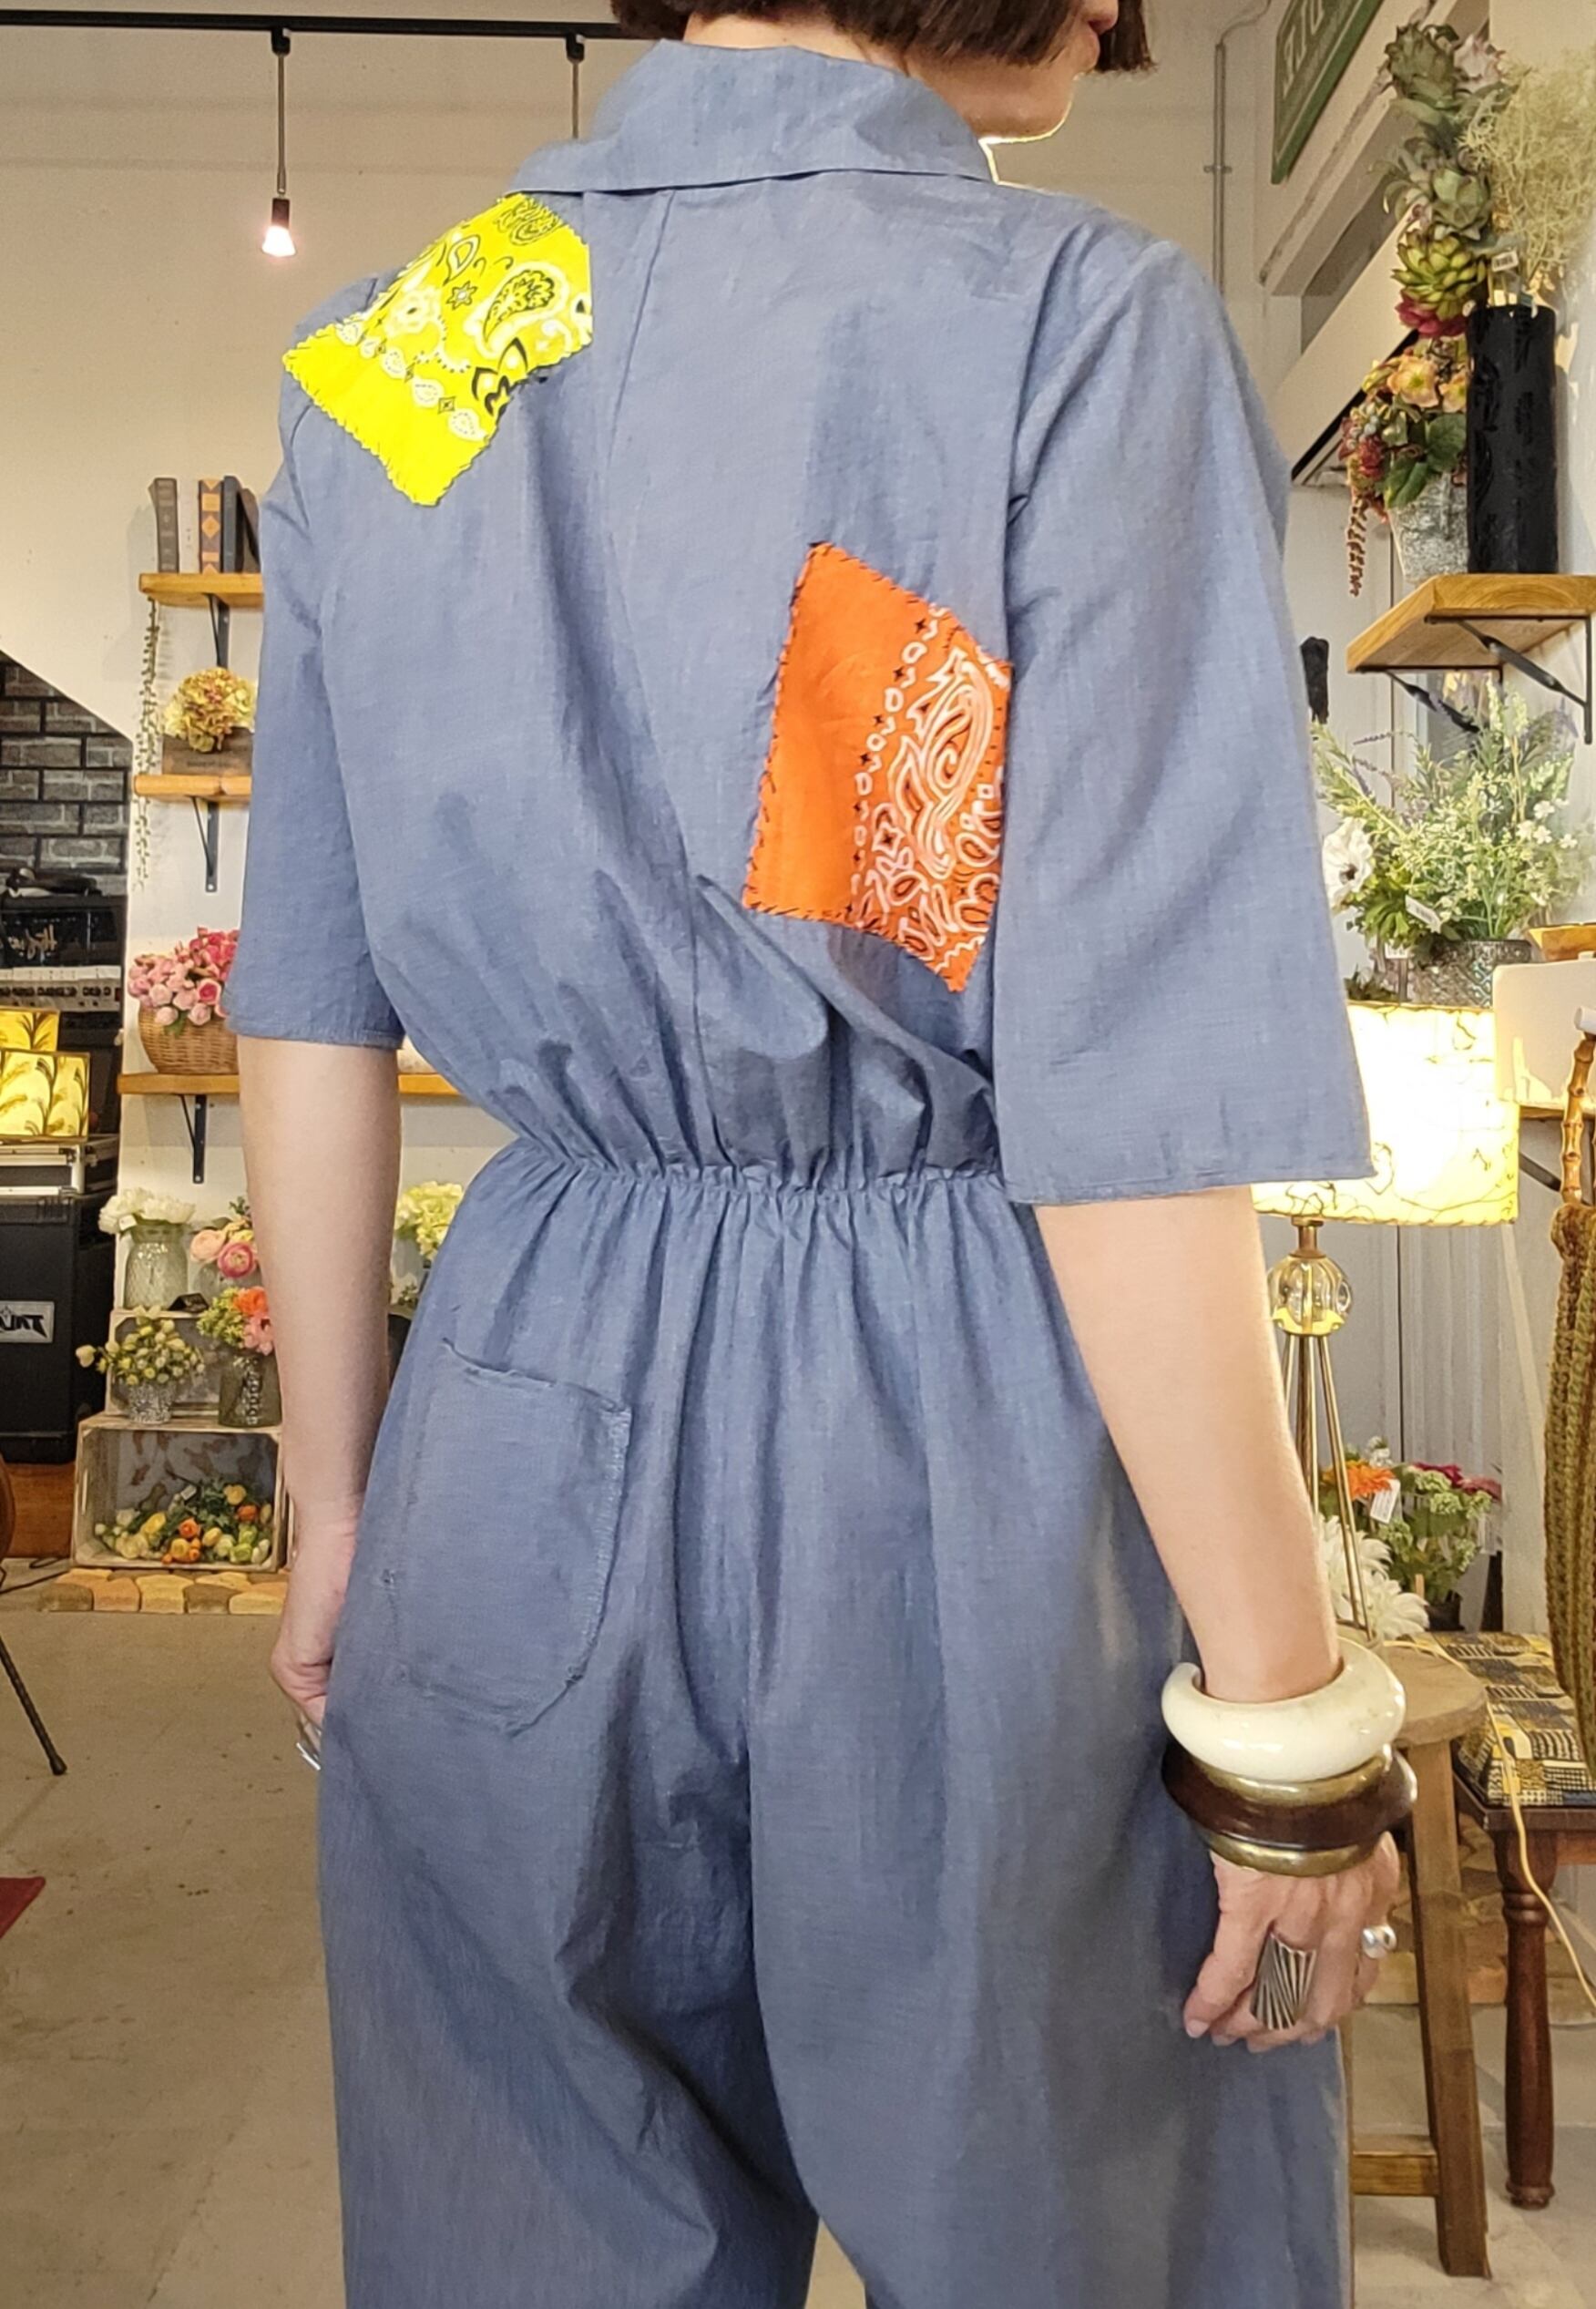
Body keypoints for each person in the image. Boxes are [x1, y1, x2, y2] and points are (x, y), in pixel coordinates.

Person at [227, 5, 1405, 2304]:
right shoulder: (1068, 323)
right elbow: (1124, 1093)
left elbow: (310, 995)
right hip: (962, 1414)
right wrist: (1284, 1719)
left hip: (518, 1411)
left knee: (528, 2242)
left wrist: (340, 1505)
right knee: (1084, 2239)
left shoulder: (399, 358)